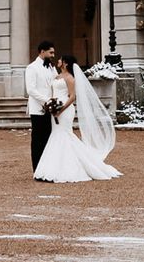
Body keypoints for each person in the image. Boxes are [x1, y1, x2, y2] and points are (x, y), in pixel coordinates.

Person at [33, 54, 122, 183]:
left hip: (65, 109)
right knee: (56, 134)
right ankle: (53, 167)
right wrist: (51, 106)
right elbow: (53, 93)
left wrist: (61, 109)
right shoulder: (56, 76)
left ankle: (70, 167)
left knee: (65, 134)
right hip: (56, 108)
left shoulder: (70, 78)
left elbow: (72, 96)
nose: (58, 61)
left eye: (60, 60)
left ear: (65, 63)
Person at [24, 40, 57, 176]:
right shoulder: (31, 68)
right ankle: (37, 169)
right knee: (38, 139)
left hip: (52, 108)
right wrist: (47, 100)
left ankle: (48, 168)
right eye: (51, 52)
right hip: (38, 109)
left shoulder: (51, 67)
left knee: (49, 138)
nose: (53, 55)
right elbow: (30, 90)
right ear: (42, 52)